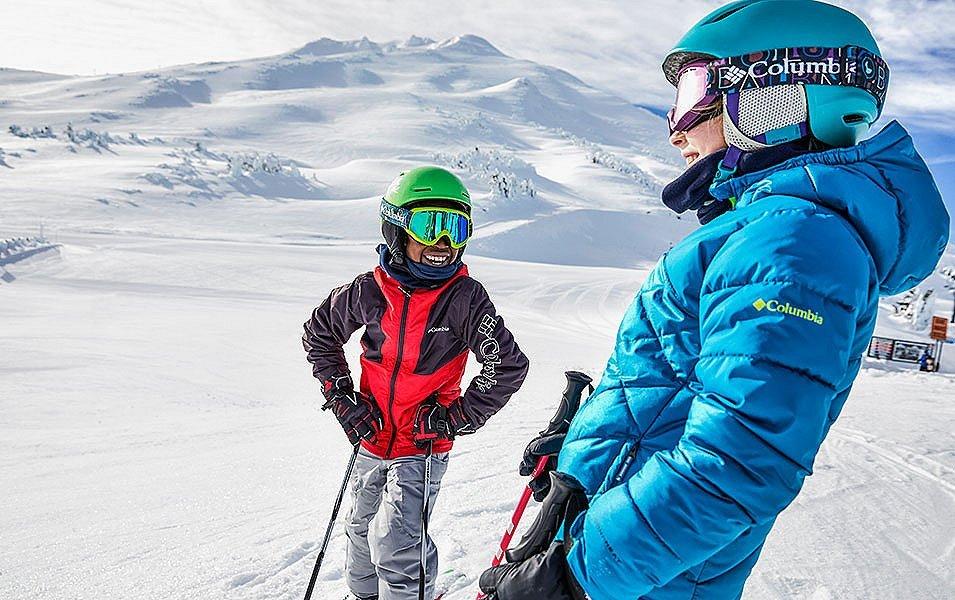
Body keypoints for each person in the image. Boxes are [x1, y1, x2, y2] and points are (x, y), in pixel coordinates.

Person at [479, 1, 949, 599]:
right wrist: (585, 452)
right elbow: (673, 392)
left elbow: (739, 458)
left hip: (636, 580)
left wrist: (573, 580)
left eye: (693, 91)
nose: (674, 127)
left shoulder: (795, 242)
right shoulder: (764, 231)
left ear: (773, 94)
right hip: (627, 559)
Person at [303, 166, 529, 600]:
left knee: (395, 540)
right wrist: (343, 398)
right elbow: (320, 335)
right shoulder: (369, 291)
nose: (443, 243)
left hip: (422, 442)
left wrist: (453, 418)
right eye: (431, 226)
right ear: (397, 227)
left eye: (455, 227)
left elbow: (507, 367)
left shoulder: (464, 299)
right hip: (372, 434)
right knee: (359, 528)